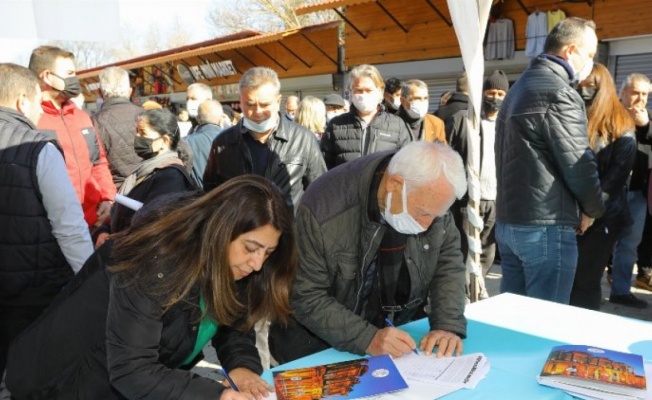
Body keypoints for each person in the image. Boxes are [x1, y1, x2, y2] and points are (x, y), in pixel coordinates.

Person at [6, 176, 297, 400]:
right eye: (251, 248)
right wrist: (215, 394)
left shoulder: (236, 266)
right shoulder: (155, 260)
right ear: (221, 232)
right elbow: (133, 369)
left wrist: (241, 366)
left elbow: (230, 321)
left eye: (268, 253)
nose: (257, 263)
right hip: (60, 382)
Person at [269, 141, 468, 364]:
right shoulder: (323, 210)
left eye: (435, 216)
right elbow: (307, 296)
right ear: (394, 184)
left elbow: (447, 260)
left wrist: (447, 324)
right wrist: (368, 338)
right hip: (314, 347)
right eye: (422, 214)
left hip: (395, 339)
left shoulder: (429, 192)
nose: (427, 224)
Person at [495, 17, 605, 304]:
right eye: (590, 54)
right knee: (545, 322)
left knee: (513, 320)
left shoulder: (518, 88)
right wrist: (592, 209)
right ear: (570, 51)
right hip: (544, 225)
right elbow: (578, 164)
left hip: (510, 221)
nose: (591, 62)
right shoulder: (559, 92)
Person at [0, 63, 93, 379]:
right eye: (38, 102)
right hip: (33, 293)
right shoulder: (38, 147)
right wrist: (91, 279)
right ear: (23, 101)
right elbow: (69, 227)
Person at [203, 67, 326, 213]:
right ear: (240, 102)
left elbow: (321, 192)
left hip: (290, 232)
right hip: (240, 232)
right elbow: (211, 192)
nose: (258, 112)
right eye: (250, 104)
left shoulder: (304, 139)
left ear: (278, 101)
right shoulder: (222, 143)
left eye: (265, 104)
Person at [569, 63, 636, 311]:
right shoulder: (576, 117)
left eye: (590, 86)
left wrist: (590, 211)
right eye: (580, 85)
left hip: (604, 216)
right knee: (571, 279)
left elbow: (616, 176)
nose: (584, 90)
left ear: (604, 87)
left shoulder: (621, 123)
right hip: (573, 214)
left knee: (586, 281)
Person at [29, 45, 116, 228]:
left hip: (92, 224)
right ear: (46, 76)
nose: (74, 79)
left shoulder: (82, 117)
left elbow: (98, 161)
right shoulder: (31, 119)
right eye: (69, 73)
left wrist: (108, 198)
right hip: (51, 228)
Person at [95, 108, 195, 245]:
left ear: (164, 140)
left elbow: (154, 226)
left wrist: (115, 239)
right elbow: (119, 210)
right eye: (136, 132)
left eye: (143, 133)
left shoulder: (171, 177)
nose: (137, 137)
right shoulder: (143, 170)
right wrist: (104, 230)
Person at [446, 70, 509, 283]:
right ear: (482, 93)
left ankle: (477, 287)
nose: (496, 98)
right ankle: (463, 294)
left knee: (487, 251)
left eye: (501, 94)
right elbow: (447, 156)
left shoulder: (509, 124)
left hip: (496, 198)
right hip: (468, 197)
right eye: (491, 92)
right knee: (465, 250)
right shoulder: (463, 120)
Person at [608, 73, 652, 308]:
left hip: (637, 194)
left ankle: (620, 291)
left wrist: (645, 126)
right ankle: (586, 289)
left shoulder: (648, 120)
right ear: (622, 92)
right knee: (601, 243)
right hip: (610, 192)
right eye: (636, 92)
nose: (640, 99)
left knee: (629, 245)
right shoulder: (610, 114)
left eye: (645, 94)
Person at [321, 64, 413, 169]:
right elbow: (325, 168)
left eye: (369, 90)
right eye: (359, 90)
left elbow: (407, 166)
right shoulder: (336, 125)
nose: (363, 95)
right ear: (351, 92)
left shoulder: (397, 125)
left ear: (380, 91)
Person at [92, 66, 144, 190]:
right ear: (130, 91)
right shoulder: (147, 116)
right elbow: (184, 151)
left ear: (100, 92)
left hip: (115, 195)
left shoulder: (93, 122)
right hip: (148, 188)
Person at [184, 100, 224, 188]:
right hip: (227, 196)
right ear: (221, 118)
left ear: (198, 119)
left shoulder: (185, 142)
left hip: (197, 196)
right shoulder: (233, 138)